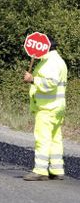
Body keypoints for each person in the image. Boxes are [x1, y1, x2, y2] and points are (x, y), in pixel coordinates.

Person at [22, 36, 68, 181]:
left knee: (42, 138)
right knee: (55, 138)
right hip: (57, 107)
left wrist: (33, 79)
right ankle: (57, 168)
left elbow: (51, 83)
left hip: (47, 108)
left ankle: (40, 170)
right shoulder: (58, 60)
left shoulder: (50, 62)